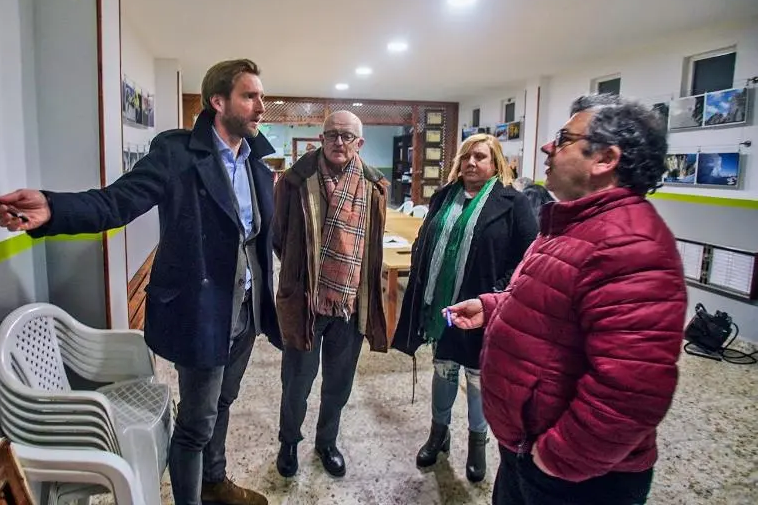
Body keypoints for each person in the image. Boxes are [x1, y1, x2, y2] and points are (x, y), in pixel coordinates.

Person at [0, 59, 281, 505]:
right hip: (201, 314)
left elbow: (259, 238)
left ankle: (214, 480)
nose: (262, 106)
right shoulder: (178, 155)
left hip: (245, 310)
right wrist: (53, 207)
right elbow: (116, 203)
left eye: (261, 96)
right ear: (219, 102)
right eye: (250, 96)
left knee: (223, 403)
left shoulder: (257, 165)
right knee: (195, 424)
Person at [446, 93, 687, 505]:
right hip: (528, 448)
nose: (546, 146)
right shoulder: (575, 225)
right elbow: (555, 310)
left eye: (563, 138)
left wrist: (555, 458)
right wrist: (493, 306)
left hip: (574, 476)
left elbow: (631, 390)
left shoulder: (629, 243)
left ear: (605, 159)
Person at [393, 133, 538, 483]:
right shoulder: (444, 196)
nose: (472, 163)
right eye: (467, 156)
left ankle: (477, 443)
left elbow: (528, 254)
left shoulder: (512, 202)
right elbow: (426, 238)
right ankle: (438, 434)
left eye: (481, 157)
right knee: (443, 369)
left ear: (495, 163)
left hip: (483, 309)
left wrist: (497, 292)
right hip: (442, 306)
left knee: (477, 377)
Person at [272, 111, 392, 479]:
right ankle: (289, 442)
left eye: (346, 136)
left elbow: (372, 245)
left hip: (351, 303)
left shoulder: (375, 187)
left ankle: (327, 442)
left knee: (338, 383)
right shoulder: (294, 182)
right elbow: (279, 237)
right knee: (297, 381)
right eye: (331, 135)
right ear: (320, 140)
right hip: (307, 302)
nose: (338, 142)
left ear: (360, 143)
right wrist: (300, 275)